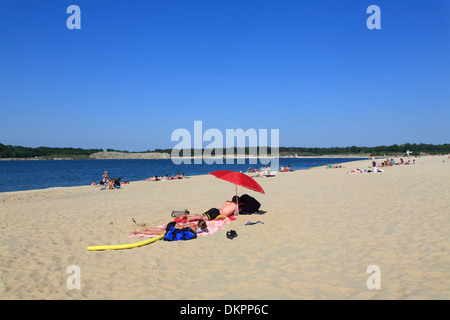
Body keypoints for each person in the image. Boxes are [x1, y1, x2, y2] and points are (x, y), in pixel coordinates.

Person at [133, 220, 207, 235]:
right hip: (173, 229)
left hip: (173, 224)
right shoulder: (193, 229)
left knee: (162, 229)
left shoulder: (192, 224)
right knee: (155, 233)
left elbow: (183, 225)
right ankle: (138, 231)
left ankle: (146, 229)